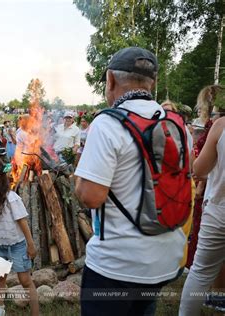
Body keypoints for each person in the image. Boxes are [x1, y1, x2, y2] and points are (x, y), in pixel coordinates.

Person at [75, 47, 191, 315]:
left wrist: (80, 179)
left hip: (118, 265)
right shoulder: (178, 124)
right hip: (165, 257)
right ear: (154, 83)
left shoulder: (107, 123)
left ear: (110, 81)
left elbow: (91, 197)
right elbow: (188, 171)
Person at [0, 157, 39, 316]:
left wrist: (30, 244)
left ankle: (36, 313)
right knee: (0, 279)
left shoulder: (10, 197)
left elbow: (22, 221)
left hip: (17, 245)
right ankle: (0, 308)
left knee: (25, 281)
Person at [179, 116, 225, 315]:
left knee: (201, 272)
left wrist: (214, 172)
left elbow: (198, 168)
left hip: (219, 209)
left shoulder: (221, 125)